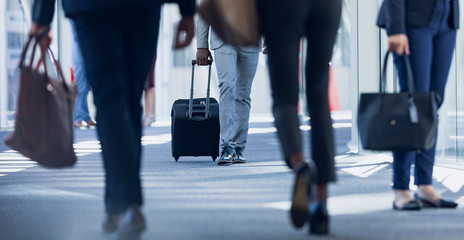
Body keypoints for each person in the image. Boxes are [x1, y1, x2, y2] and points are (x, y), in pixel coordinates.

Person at [29, 0, 195, 238]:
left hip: (92, 8)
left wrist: (41, 17)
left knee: (112, 99)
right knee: (127, 99)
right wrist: (187, 10)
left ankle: (122, 201)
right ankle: (124, 202)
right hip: (140, 8)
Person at [257, 0, 341, 235]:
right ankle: (321, 204)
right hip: (328, 6)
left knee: (285, 97)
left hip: (283, 8)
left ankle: (300, 166)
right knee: (319, 96)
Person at [377, 0, 459, 210]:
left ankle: (424, 185)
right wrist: (396, 28)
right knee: (412, 105)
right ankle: (401, 189)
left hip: (446, 20)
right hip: (413, 20)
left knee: (431, 105)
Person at [196, 2, 261, 165]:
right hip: (223, 38)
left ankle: (239, 148)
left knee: (243, 94)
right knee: (227, 86)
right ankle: (227, 146)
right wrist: (201, 45)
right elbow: (205, 9)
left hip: (251, 39)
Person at [70, 20, 96, 128]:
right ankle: (78, 118)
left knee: (85, 87)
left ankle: (85, 116)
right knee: (81, 86)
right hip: (80, 51)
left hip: (89, 49)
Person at [143, 55, 156, 127]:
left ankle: (150, 115)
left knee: (149, 85)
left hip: (146, 56)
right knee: (145, 87)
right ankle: (146, 116)